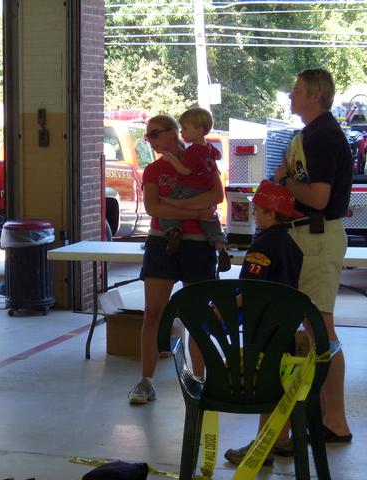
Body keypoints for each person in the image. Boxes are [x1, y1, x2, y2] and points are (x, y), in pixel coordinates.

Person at [273, 68, 353, 442]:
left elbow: (318, 198)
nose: (291, 95)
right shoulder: (304, 136)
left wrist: (287, 183)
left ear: (316, 95)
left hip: (318, 236)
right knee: (307, 328)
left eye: (297, 90)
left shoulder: (324, 136)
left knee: (320, 327)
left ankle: (335, 420)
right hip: (300, 235)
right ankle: (317, 413)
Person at [128, 115, 224, 404]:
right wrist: (195, 212)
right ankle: (146, 381)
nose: (152, 141)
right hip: (162, 242)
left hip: (198, 246)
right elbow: (153, 207)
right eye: (148, 137)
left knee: (196, 315)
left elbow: (217, 195)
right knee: (153, 313)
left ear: (174, 133)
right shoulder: (154, 169)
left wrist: (177, 205)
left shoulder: (203, 160)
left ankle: (199, 379)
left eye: (156, 134)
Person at [223, 179, 304, 466]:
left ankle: (262, 446)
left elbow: (250, 291)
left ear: (271, 213)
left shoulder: (263, 246)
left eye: (258, 210)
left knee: (268, 386)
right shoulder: (291, 245)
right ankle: (281, 439)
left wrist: (220, 309)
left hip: (265, 331)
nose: (255, 214)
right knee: (282, 385)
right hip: (287, 328)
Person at [158, 107, 230, 272]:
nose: (182, 132)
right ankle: (221, 248)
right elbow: (217, 156)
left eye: (185, 129)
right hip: (205, 191)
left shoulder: (193, 151)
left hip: (189, 188)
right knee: (210, 221)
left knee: (167, 208)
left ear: (199, 130)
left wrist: (171, 159)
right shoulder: (209, 148)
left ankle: (173, 230)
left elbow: (185, 170)